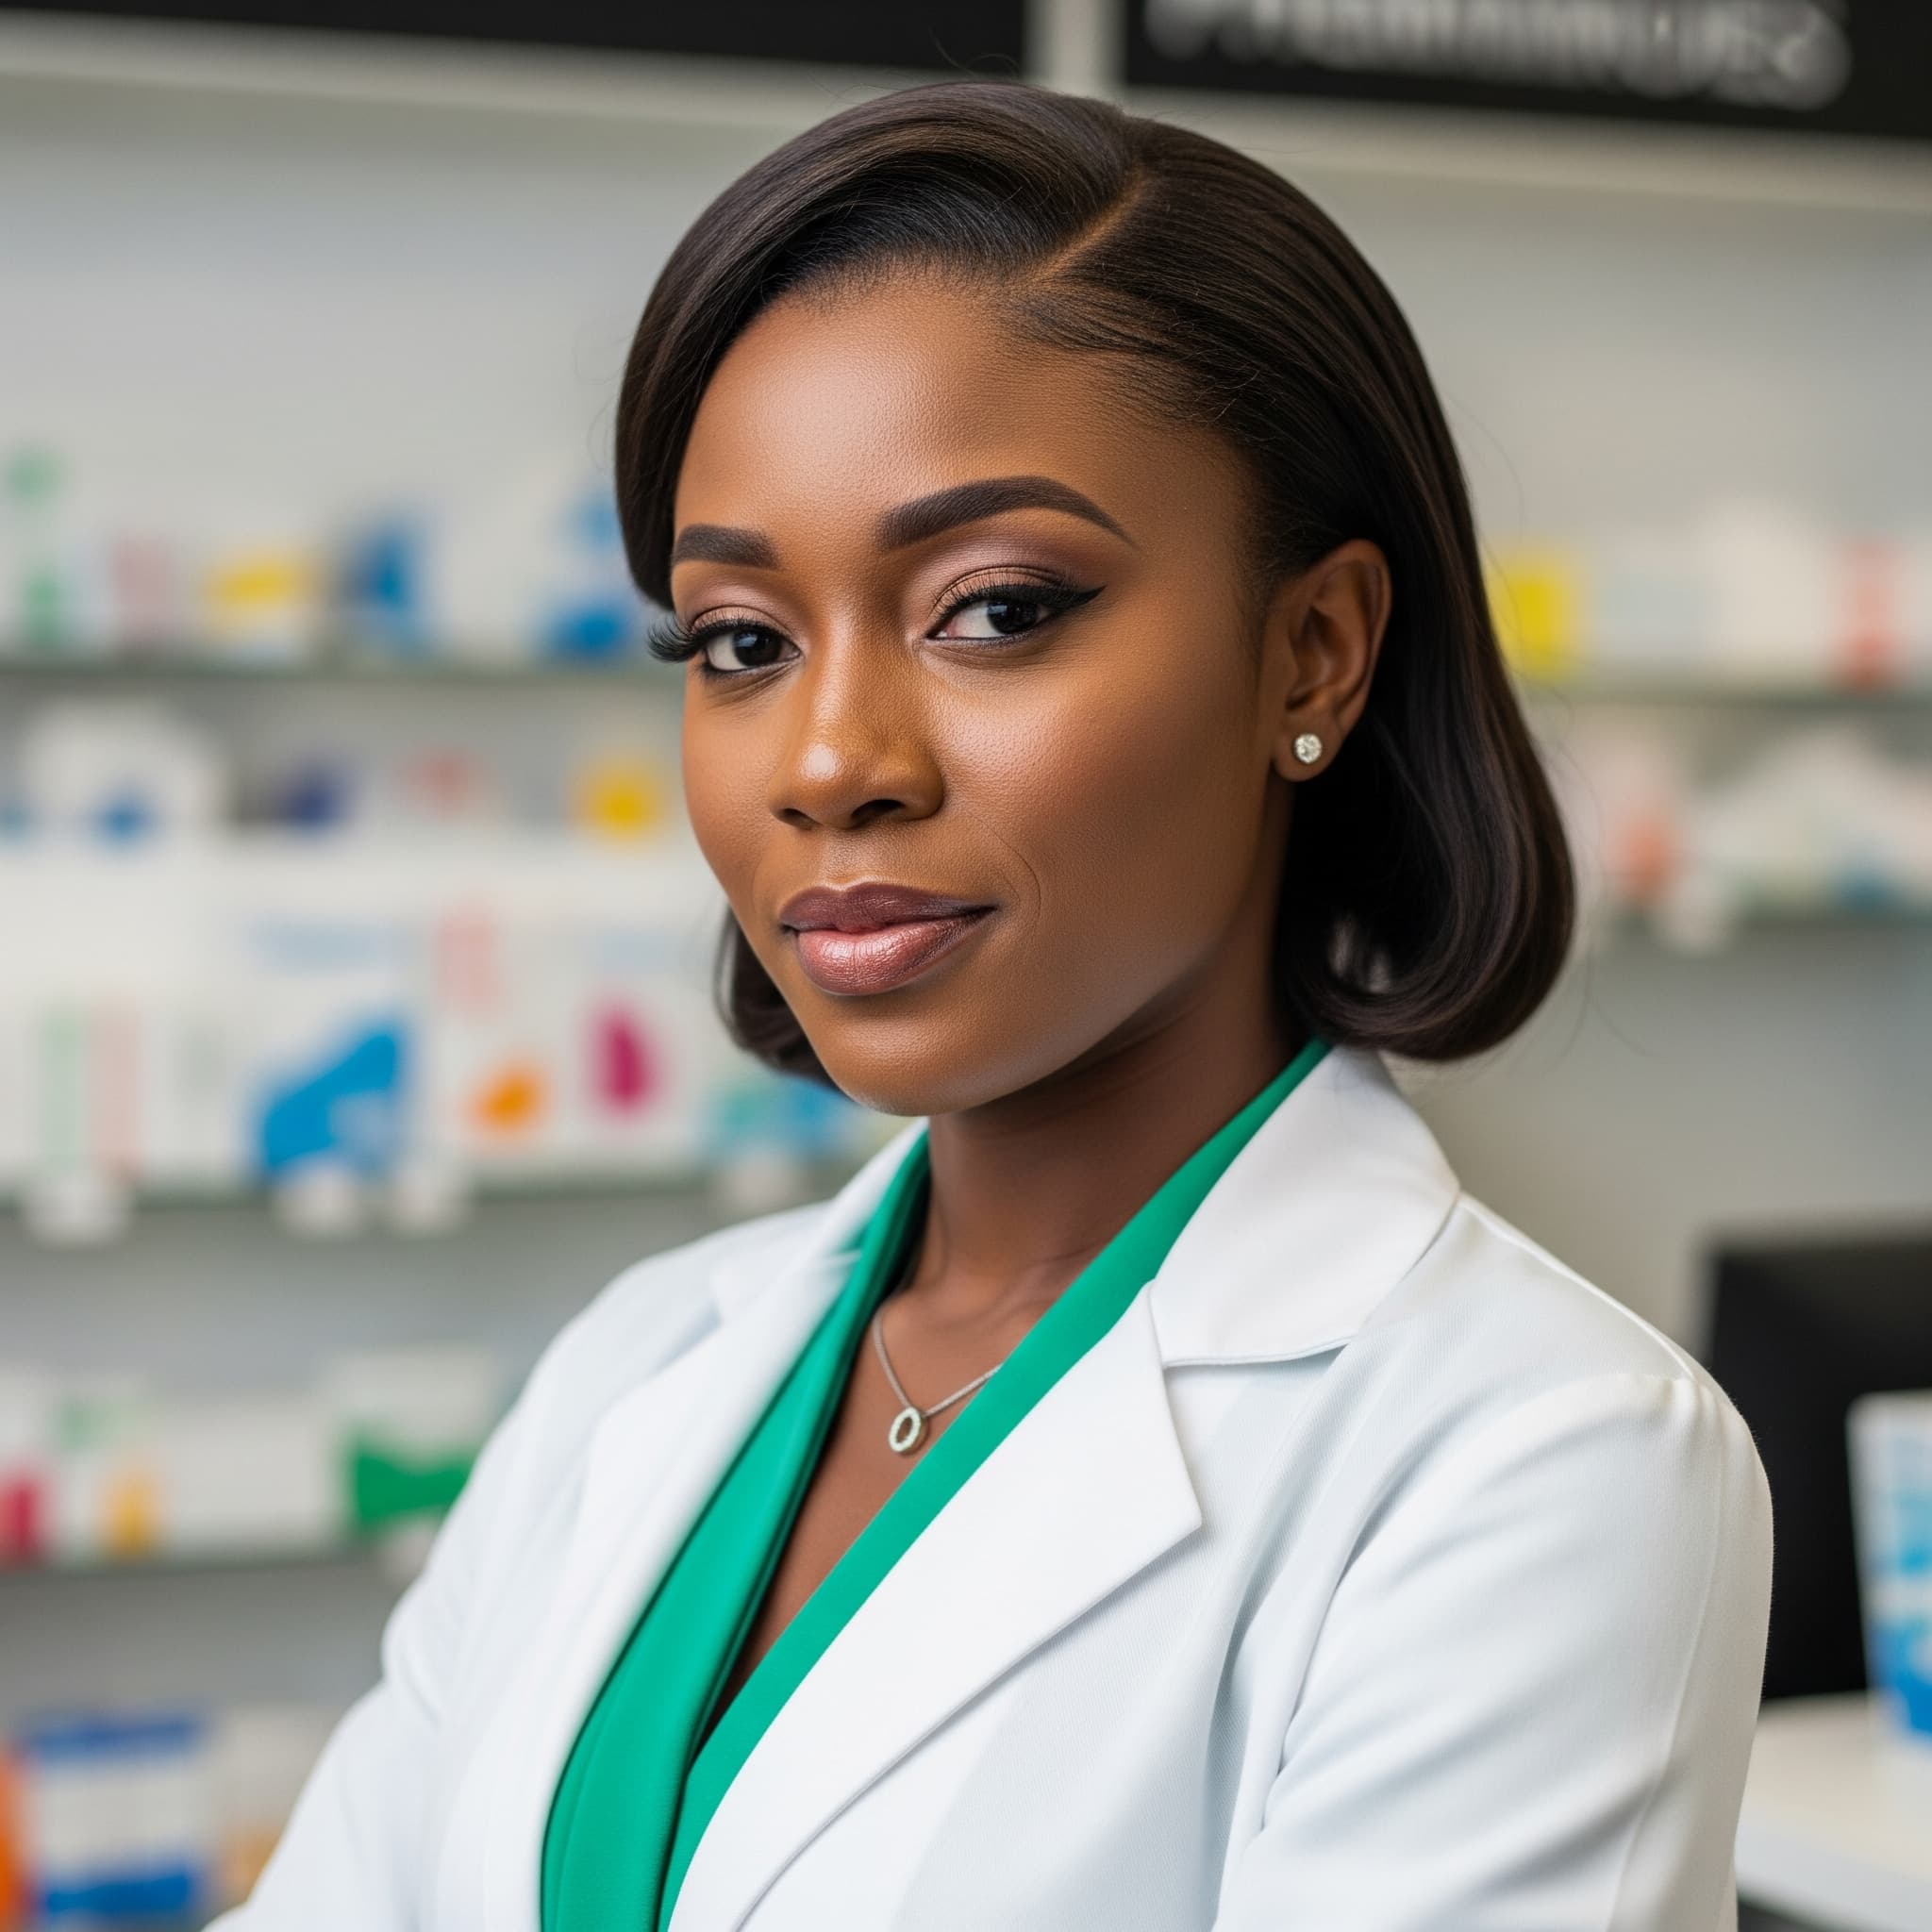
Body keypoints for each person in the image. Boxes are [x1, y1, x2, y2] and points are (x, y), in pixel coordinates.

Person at [214, 80, 1772, 1932]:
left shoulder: (1542, 1462)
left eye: (995, 607)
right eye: (739, 640)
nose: (826, 759)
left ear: (1314, 651)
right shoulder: (640, 1370)